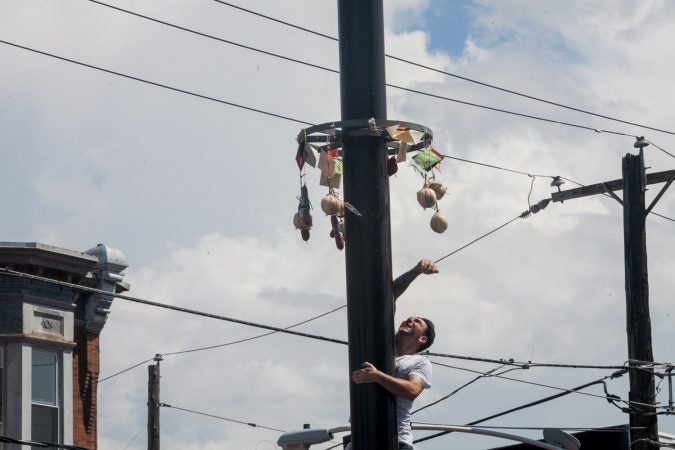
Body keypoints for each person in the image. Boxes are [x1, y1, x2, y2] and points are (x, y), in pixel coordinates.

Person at [350, 259, 438, 450]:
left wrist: (377, 376)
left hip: (396, 442)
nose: (410, 319)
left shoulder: (419, 362)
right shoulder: (380, 342)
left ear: (423, 340)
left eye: (417, 322)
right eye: (410, 317)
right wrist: (416, 271)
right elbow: (388, 295)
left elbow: (412, 391)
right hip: (360, 439)